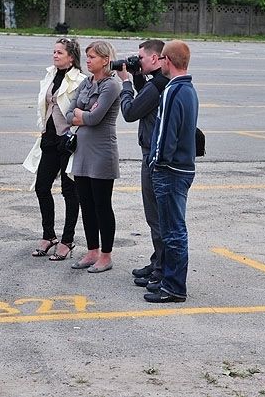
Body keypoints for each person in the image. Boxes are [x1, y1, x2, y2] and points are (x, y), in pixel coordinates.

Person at [144, 40, 199, 304]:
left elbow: (166, 132)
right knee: (172, 229)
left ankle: (174, 286)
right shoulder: (188, 89)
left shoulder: (173, 90)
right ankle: (168, 279)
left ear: (168, 60)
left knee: (173, 231)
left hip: (171, 170)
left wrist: (157, 162)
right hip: (182, 167)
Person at [23, 38, 87, 259]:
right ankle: (48, 235)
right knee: (42, 186)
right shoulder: (50, 75)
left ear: (71, 57)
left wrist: (73, 131)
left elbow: (80, 110)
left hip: (68, 140)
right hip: (49, 137)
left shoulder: (80, 80)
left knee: (69, 191)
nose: (55, 55)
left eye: (60, 52)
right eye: (54, 52)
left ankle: (67, 240)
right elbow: (43, 104)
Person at [117, 40, 169, 290]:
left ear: (155, 58)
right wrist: (138, 76)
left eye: (141, 58)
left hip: (152, 155)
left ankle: (161, 269)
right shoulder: (159, 81)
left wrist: (126, 83)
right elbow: (145, 98)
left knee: (155, 216)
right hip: (154, 153)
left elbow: (130, 112)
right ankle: (158, 261)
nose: (137, 61)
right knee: (156, 216)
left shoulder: (157, 85)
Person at [66, 41, 122, 273]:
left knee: (102, 204)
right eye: (87, 56)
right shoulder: (86, 82)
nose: (87, 60)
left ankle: (106, 255)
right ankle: (92, 251)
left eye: (92, 57)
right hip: (82, 151)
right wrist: (83, 115)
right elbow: (68, 113)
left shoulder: (112, 85)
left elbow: (95, 118)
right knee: (86, 204)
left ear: (105, 59)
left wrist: (82, 114)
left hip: (102, 152)